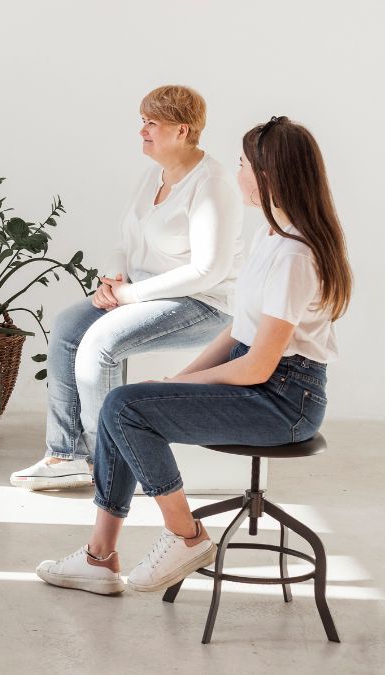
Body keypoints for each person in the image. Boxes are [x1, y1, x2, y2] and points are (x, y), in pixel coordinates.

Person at [36, 117, 352, 595]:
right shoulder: (272, 236)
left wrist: (167, 389)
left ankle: (185, 537)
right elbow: (237, 332)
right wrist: (174, 381)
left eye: (245, 164)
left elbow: (258, 365)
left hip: (285, 401)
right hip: (260, 383)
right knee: (128, 401)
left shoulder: (294, 257)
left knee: (124, 406)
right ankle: (99, 558)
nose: (238, 171)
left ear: (268, 176)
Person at [10, 85, 243, 491]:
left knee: (101, 343)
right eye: (143, 122)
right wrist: (113, 279)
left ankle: (111, 463)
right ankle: (66, 455)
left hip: (202, 303)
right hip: (141, 292)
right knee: (68, 327)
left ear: (182, 130)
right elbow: (125, 240)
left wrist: (128, 297)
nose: (142, 131)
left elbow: (208, 270)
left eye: (152, 123)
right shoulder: (153, 175)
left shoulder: (213, 184)